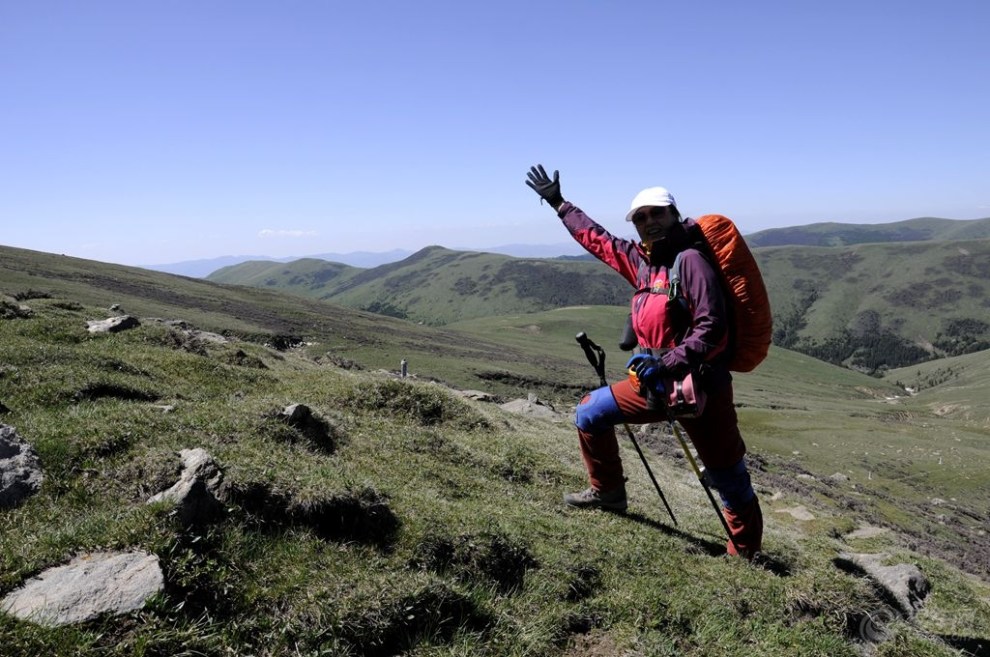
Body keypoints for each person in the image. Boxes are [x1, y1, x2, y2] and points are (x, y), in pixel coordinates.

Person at [525, 164, 763, 558]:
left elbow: (712, 328)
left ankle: (745, 555)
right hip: (654, 385)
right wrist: (558, 204)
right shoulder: (641, 260)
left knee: (728, 477)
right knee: (590, 412)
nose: (649, 222)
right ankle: (608, 493)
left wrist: (667, 362)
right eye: (640, 217)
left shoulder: (691, 261)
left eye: (657, 213)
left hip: (700, 387)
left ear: (673, 214)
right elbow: (598, 240)